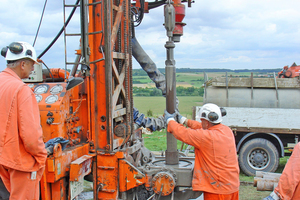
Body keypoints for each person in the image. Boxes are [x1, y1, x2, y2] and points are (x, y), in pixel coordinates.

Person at [0, 42, 47, 199]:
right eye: (31, 65)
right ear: (22, 64)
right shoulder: (22, 90)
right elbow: (31, 137)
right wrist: (41, 157)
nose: (33, 69)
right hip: (20, 164)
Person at [164, 103, 240, 200]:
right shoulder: (226, 130)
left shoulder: (206, 137)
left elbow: (183, 133)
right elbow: (200, 126)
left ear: (207, 122)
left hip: (217, 191)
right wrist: (184, 120)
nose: (201, 122)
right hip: (232, 186)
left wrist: (170, 120)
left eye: (202, 120)